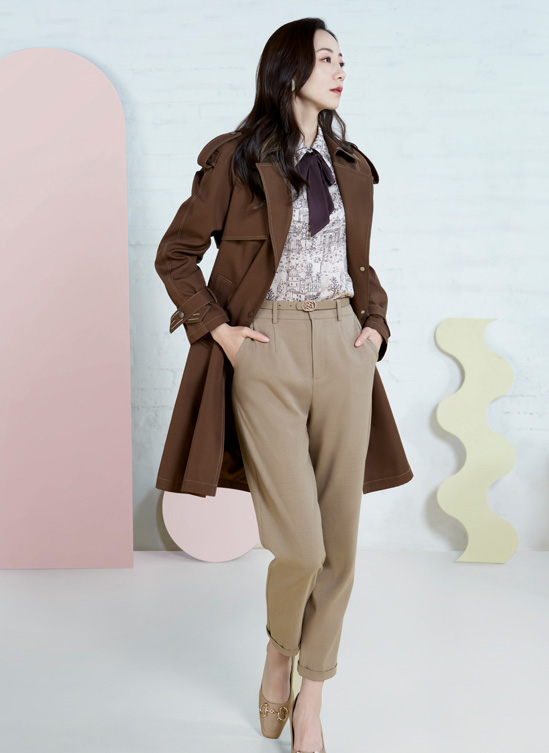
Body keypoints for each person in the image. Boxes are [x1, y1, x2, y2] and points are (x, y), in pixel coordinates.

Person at [154, 16, 413, 753]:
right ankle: (279, 652)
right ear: (289, 69)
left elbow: (358, 263)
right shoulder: (236, 159)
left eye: (342, 59)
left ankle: (312, 698)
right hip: (264, 350)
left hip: (343, 345)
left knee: (341, 547)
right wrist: (221, 331)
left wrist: (374, 323)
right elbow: (176, 253)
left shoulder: (350, 166)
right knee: (299, 547)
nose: (340, 69)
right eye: (325, 58)